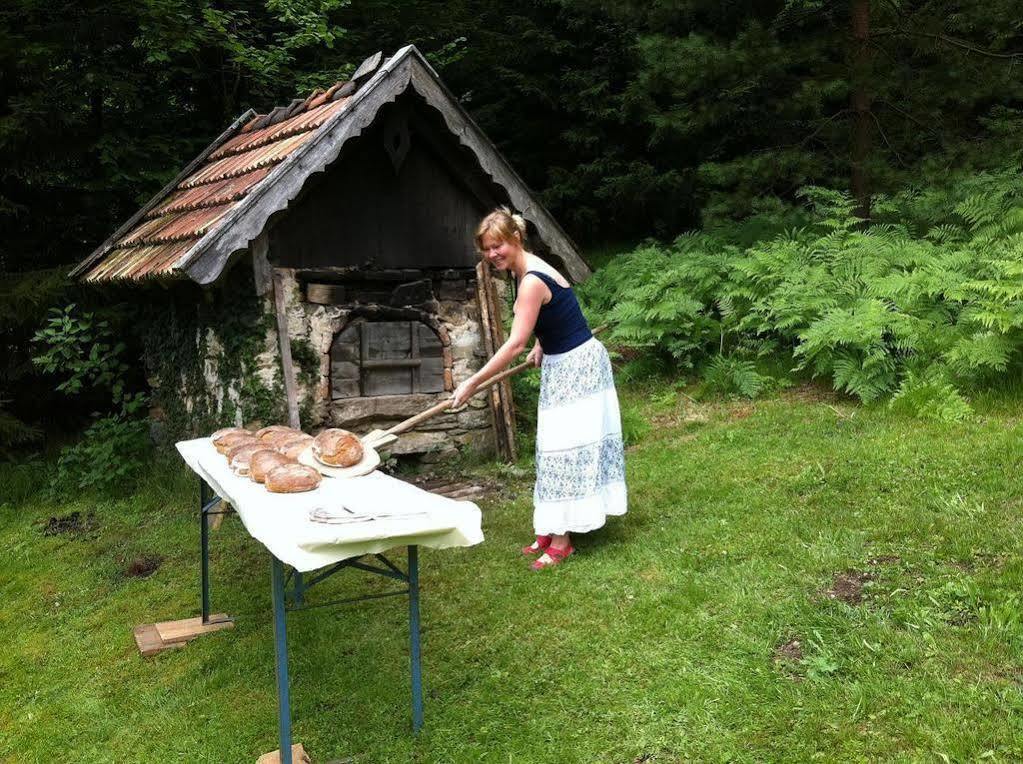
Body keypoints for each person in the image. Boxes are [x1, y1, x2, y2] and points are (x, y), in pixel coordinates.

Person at [451, 208, 627, 569]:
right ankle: (552, 526)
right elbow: (557, 310)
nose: (492, 254)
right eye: (486, 249)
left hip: (579, 367)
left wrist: (473, 382)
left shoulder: (530, 279)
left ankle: (563, 540)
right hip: (564, 360)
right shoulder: (525, 268)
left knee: (565, 449)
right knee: (552, 448)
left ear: (515, 239)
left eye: (497, 245)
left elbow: (514, 343)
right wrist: (543, 343)